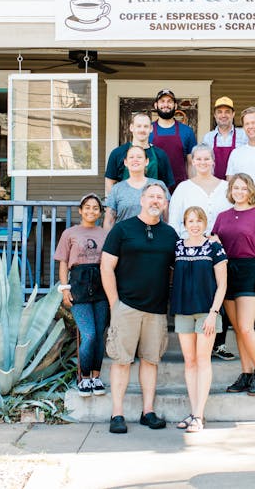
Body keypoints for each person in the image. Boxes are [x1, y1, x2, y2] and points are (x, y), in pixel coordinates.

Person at [101, 183, 178, 434]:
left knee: (150, 361)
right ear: (142, 199)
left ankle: (148, 411)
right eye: (152, 196)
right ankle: (117, 414)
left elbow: (182, 267)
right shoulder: (122, 229)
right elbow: (106, 267)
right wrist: (115, 304)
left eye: (160, 197)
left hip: (156, 309)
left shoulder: (170, 235)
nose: (156, 201)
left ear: (165, 204)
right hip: (126, 306)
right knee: (121, 361)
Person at [167, 143, 235, 361]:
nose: (203, 163)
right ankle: (201, 340)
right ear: (192, 162)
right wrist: (188, 242)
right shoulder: (184, 188)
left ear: (213, 161)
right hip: (192, 251)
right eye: (199, 159)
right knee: (202, 291)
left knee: (221, 290)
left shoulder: (225, 187)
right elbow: (175, 221)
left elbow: (234, 214)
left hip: (223, 246)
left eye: (207, 159)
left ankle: (220, 343)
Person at [212, 173, 255, 396]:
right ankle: (246, 373)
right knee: (238, 328)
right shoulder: (222, 216)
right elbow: (215, 242)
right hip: (228, 271)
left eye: (244, 188)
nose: (239, 192)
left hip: (250, 270)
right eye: (236, 188)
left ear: (250, 191)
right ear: (230, 190)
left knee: (246, 327)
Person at [171, 206, 228, 433]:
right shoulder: (177, 247)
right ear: (184, 224)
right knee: (190, 361)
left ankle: (199, 415)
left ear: (205, 223)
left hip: (206, 311)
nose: (194, 225)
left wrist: (214, 313)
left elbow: (222, 283)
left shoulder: (214, 246)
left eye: (198, 221)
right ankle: (192, 412)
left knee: (203, 360)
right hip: (183, 310)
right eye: (190, 221)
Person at [55, 193, 110, 397]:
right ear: (80, 210)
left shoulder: (105, 234)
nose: (91, 211)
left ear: (100, 212)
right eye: (87, 207)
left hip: (101, 285)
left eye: (95, 208)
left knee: (99, 336)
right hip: (78, 284)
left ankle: (96, 377)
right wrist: (65, 288)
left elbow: (110, 262)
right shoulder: (70, 233)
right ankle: (84, 378)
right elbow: (62, 262)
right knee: (89, 335)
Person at [104, 112, 175, 194]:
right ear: (131, 127)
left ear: (151, 129)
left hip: (152, 204)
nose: (142, 130)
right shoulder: (117, 153)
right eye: (138, 126)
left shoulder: (161, 155)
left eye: (146, 126)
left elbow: (166, 186)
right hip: (124, 204)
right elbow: (110, 182)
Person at [104, 145, 170, 228]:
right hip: (124, 238)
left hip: (154, 237)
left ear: (146, 161)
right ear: (125, 162)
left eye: (139, 157)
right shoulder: (117, 188)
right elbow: (109, 221)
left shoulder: (159, 186)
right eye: (131, 157)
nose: (135, 160)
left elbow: (166, 218)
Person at [151, 89, 197, 192]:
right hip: (153, 189)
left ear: (175, 106)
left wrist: (193, 187)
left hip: (180, 188)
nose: (166, 105)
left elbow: (191, 163)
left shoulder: (187, 131)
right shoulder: (148, 130)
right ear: (156, 105)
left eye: (169, 101)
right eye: (162, 101)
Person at [201, 96, 248, 180]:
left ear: (233, 114)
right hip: (213, 185)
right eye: (219, 112)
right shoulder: (208, 137)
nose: (223, 115)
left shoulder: (244, 135)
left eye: (227, 112)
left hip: (238, 186)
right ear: (215, 115)